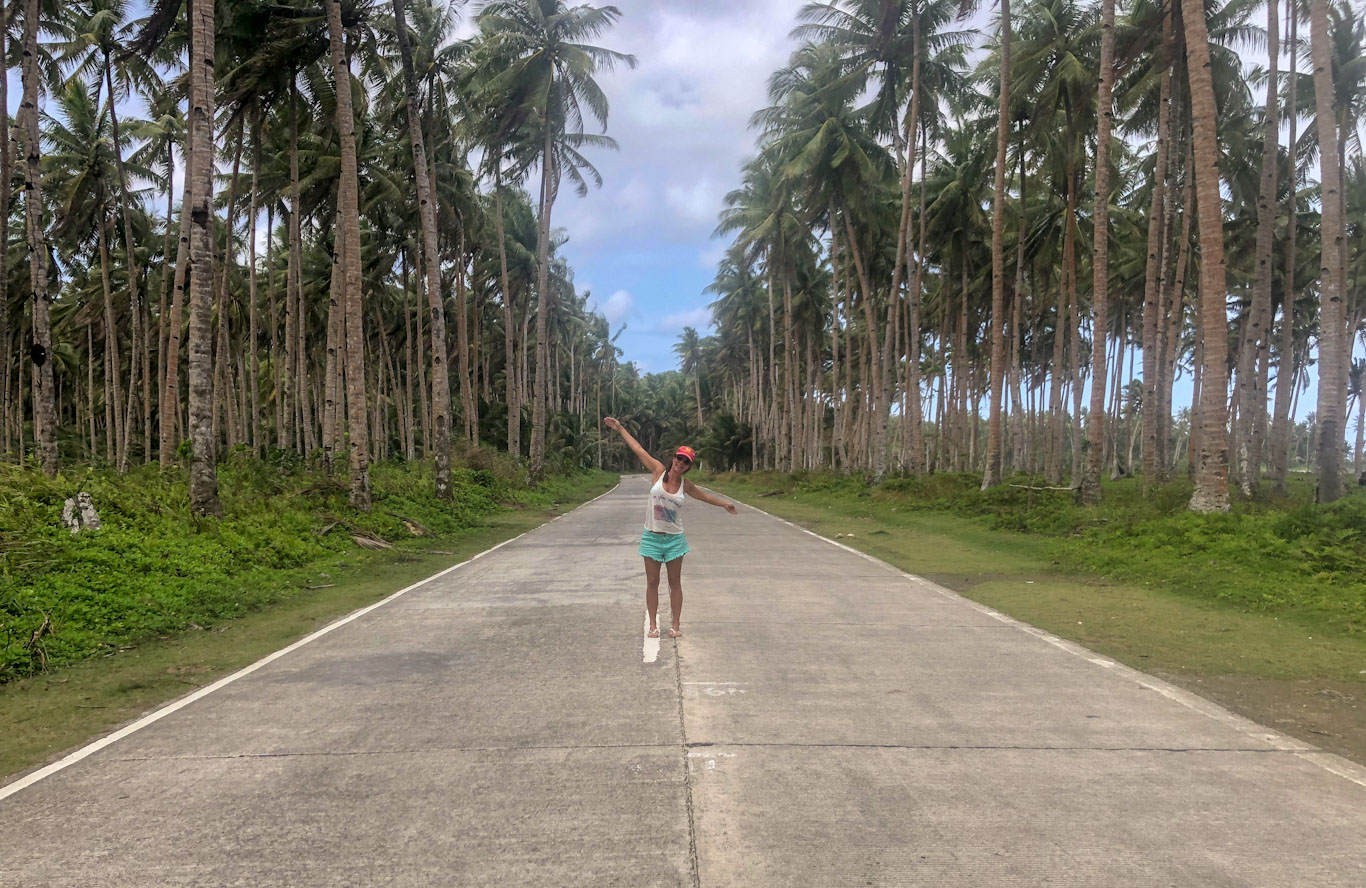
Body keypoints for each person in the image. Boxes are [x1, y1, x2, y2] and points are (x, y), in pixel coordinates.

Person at [604, 416, 738, 638]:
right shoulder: (657, 471)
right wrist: (619, 428)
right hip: (652, 538)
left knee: (675, 583)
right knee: (652, 583)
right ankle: (653, 625)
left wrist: (724, 504)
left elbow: (704, 496)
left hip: (675, 539)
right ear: (673, 458)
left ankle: (675, 625)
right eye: (678, 458)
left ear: (688, 467)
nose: (680, 463)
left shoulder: (686, 485)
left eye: (685, 461)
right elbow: (638, 449)